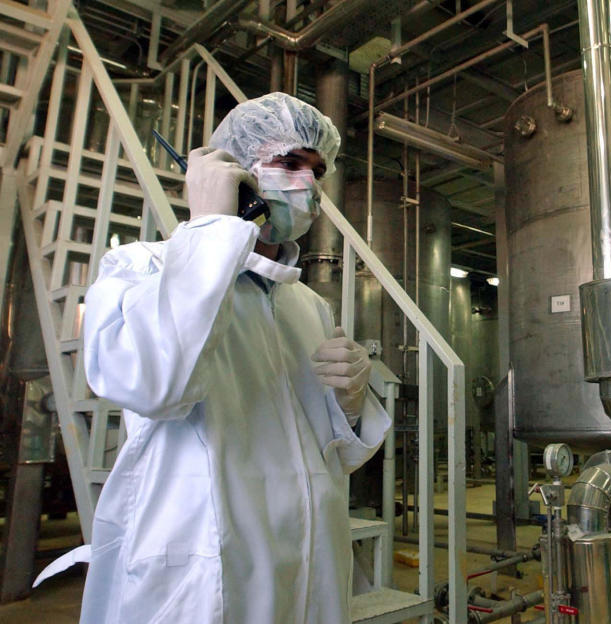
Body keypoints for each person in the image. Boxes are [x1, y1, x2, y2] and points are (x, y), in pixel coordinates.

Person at [78, 93, 389, 623]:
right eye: (289, 163)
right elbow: (157, 386)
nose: (307, 184)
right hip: (208, 564)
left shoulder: (307, 303)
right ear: (235, 172)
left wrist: (350, 403)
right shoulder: (142, 268)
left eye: (317, 170)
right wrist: (211, 227)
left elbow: (328, 454)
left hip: (308, 559)